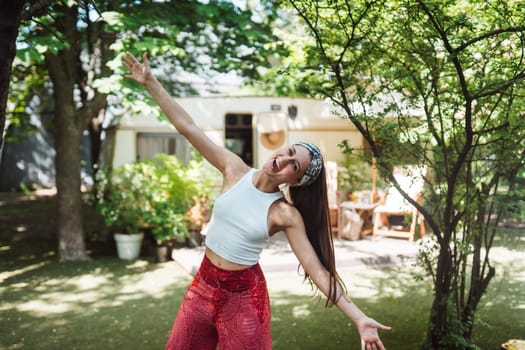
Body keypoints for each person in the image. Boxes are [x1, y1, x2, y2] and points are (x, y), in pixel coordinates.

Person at [122, 51, 391, 350]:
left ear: (296, 181)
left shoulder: (284, 214)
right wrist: (151, 83)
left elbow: (317, 271)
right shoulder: (233, 168)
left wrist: (358, 318)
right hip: (203, 284)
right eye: (289, 152)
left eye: (295, 166)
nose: (284, 160)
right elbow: (189, 127)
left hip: (243, 298)